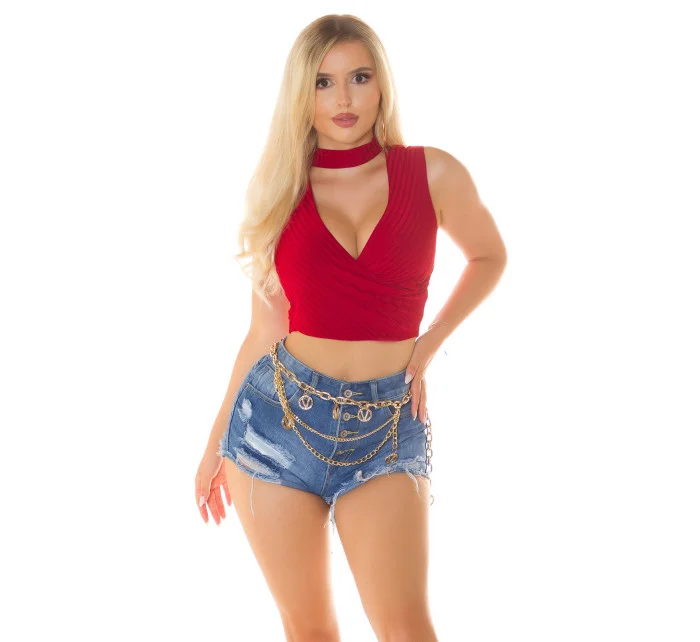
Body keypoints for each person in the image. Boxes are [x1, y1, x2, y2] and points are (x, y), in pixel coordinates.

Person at [195, 14, 507, 642]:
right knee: (310, 630)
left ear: (381, 84)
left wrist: (429, 345)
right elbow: (263, 332)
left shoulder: (433, 173)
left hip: (386, 426)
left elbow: (489, 256)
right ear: (301, 94)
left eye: (359, 77)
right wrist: (213, 446)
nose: (343, 98)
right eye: (323, 81)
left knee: (406, 627)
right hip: (277, 423)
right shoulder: (281, 190)